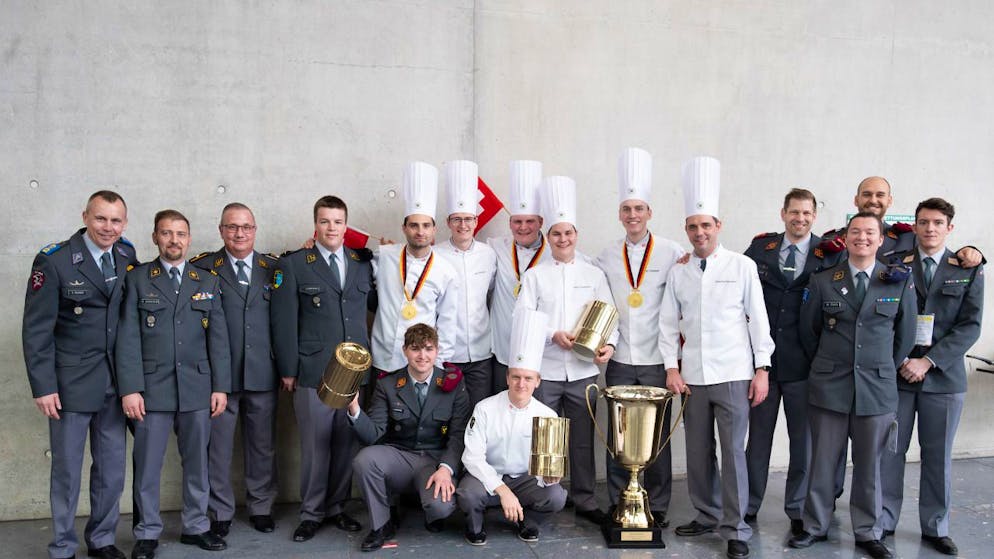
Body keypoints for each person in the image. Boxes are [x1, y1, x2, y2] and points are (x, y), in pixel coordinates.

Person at [658, 156, 774, 559]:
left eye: (706, 225)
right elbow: (669, 324)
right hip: (692, 376)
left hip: (733, 373)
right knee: (698, 452)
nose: (699, 232)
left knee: (733, 452)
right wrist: (671, 368)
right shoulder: (680, 271)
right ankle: (706, 514)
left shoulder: (742, 266)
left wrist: (762, 370)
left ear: (718, 226)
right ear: (686, 231)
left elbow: (758, 321)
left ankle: (736, 527)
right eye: (692, 226)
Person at [789, 212, 916, 559]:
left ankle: (868, 532)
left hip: (876, 388)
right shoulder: (824, 280)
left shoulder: (898, 281)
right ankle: (814, 525)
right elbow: (808, 331)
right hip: (830, 386)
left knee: (871, 466)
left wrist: (878, 366)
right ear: (845, 239)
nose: (862, 237)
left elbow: (904, 339)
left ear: (881, 240)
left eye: (869, 232)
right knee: (822, 463)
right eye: (856, 232)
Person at [22, 191, 137, 559]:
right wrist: (43, 386)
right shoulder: (54, 261)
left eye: (115, 220)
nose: (108, 227)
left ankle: (101, 540)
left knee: (111, 471)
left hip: (114, 384)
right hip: (69, 385)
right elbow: (37, 329)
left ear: (125, 222)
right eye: (101, 219)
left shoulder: (126, 255)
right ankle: (62, 546)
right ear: (85, 216)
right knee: (68, 472)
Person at [117, 209, 232, 559]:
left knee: (198, 464)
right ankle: (147, 532)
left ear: (189, 238)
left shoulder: (206, 280)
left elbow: (220, 340)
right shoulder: (137, 280)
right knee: (148, 466)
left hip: (197, 387)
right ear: (155, 238)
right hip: (151, 391)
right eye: (166, 234)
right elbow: (127, 339)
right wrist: (130, 388)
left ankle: (195, 527)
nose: (173, 240)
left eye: (180, 234)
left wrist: (220, 387)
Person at [879, 198, 984, 555]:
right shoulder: (895, 265)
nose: (930, 229)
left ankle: (936, 528)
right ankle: (884, 520)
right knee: (890, 452)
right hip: (899, 375)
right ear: (915, 225)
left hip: (944, 379)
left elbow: (970, 326)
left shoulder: (968, 268)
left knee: (937, 456)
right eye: (923, 222)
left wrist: (929, 361)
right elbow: (884, 319)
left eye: (938, 223)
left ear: (949, 227)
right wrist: (904, 359)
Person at [270, 195, 374, 541]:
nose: (332, 228)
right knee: (316, 447)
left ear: (347, 225)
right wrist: (288, 369)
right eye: (326, 221)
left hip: (354, 371)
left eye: (338, 221)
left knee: (345, 444)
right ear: (316, 225)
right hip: (314, 370)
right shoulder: (296, 264)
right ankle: (312, 513)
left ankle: (337, 507)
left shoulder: (362, 263)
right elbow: (284, 321)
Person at [515, 175, 616, 527]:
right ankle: (543, 495)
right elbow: (523, 318)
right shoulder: (535, 276)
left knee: (583, 440)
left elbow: (609, 314)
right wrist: (551, 334)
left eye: (568, 233)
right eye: (556, 233)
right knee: (543, 437)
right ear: (548, 237)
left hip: (584, 372)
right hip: (547, 369)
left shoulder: (594, 272)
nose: (562, 239)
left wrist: (610, 345)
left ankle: (585, 498)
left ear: (576, 235)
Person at [595, 147, 684, 527]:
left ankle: (658, 505)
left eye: (639, 209)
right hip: (619, 358)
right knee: (619, 438)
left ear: (649, 213)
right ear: (620, 214)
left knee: (657, 439)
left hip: (655, 359)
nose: (633, 215)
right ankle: (621, 502)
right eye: (627, 209)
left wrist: (673, 363)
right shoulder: (605, 255)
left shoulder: (671, 251)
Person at [743, 188, 840, 534]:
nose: (800, 219)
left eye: (807, 214)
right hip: (763, 365)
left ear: (815, 217)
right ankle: (748, 505)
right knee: (757, 441)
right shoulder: (760, 249)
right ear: (782, 213)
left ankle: (797, 509)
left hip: (806, 365)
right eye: (794, 212)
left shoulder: (828, 255)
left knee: (803, 443)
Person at [190, 203, 279, 537]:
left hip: (262, 373)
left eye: (246, 227)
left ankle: (261, 506)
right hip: (219, 378)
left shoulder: (274, 268)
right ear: (221, 230)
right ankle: (220, 511)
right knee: (218, 449)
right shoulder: (201, 268)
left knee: (262, 446)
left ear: (255, 230)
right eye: (232, 227)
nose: (239, 233)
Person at [347, 324, 471, 552]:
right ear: (405, 350)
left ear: (437, 351)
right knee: (365, 460)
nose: (422, 356)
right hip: (401, 457)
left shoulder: (453, 384)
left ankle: (429, 513)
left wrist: (446, 468)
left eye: (428, 348)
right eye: (415, 349)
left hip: (435, 460)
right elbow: (373, 434)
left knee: (440, 507)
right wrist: (354, 408)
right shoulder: (388, 384)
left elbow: (458, 435)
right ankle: (381, 525)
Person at [457, 308, 567, 545]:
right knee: (468, 493)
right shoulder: (485, 408)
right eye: (516, 377)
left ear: (537, 381)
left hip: (524, 480)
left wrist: (551, 477)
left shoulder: (547, 415)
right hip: (488, 475)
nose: (521, 384)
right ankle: (475, 527)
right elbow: (472, 458)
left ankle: (528, 522)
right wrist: (502, 490)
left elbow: (548, 470)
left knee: (556, 496)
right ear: (507, 377)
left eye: (528, 378)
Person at [370, 161, 460, 375]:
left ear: (434, 229)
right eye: (414, 225)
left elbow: (447, 323)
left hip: (422, 365)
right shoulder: (384, 256)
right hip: (382, 357)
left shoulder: (446, 271)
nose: (420, 231)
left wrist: (440, 366)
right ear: (404, 228)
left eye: (426, 225)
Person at [434, 160, 498, 408]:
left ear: (476, 220)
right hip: (447, 354)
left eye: (468, 219)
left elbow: (490, 294)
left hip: (482, 354)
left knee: (478, 416)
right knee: (447, 419)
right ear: (448, 222)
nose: (463, 225)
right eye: (457, 219)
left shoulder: (488, 253)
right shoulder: (435, 255)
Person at [817, 176, 983, 267]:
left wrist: (968, 251)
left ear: (889, 201)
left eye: (880, 195)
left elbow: (937, 251)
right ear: (856, 200)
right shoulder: (833, 240)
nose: (873, 200)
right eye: (867, 194)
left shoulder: (909, 237)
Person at [486, 160, 551, 394]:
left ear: (541, 222)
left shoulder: (556, 252)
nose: (523, 227)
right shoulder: (494, 247)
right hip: (501, 349)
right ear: (510, 222)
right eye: (517, 221)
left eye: (530, 221)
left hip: (541, 354)